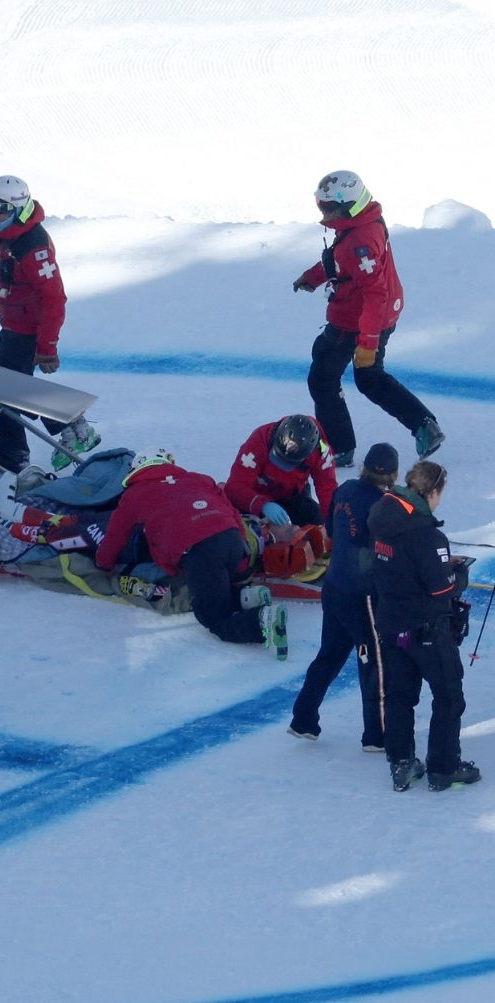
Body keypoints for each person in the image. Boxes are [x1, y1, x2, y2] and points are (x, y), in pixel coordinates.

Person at [0, 175, 99, 477]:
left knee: (1, 398)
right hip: (11, 326)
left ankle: (18, 458)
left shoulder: (32, 248)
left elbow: (54, 300)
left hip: (28, 332)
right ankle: (65, 427)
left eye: (0, 210)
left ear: (19, 208)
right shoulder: (2, 233)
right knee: (11, 394)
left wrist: (46, 348)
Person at [294, 170, 444, 467]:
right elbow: (340, 262)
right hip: (375, 313)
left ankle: (338, 448)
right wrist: (313, 277)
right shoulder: (362, 221)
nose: (322, 212)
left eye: (326, 207)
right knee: (369, 378)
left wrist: (367, 344)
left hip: (357, 319)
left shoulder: (359, 241)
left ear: (346, 205)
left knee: (323, 379)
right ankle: (424, 425)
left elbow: (374, 293)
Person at [94, 448, 289, 658]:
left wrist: (103, 564)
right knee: (217, 583)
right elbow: (232, 513)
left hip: (198, 550)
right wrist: (240, 557)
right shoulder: (199, 479)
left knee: (213, 617)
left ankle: (262, 622)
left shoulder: (134, 494)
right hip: (231, 539)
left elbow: (115, 537)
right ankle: (247, 597)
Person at [368, 460, 479, 792]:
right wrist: (459, 574)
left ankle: (401, 764)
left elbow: (401, 563)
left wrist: (439, 564)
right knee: (448, 696)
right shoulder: (428, 536)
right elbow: (442, 588)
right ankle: (444, 768)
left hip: (391, 625)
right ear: (433, 491)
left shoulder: (382, 517)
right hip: (427, 629)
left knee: (400, 696)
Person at [288, 442, 400, 750]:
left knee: (329, 656)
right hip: (361, 597)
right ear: (392, 474)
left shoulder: (347, 490)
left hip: (334, 588)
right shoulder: (384, 505)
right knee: (372, 662)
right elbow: (385, 552)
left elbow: (334, 532)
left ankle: (303, 718)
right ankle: (376, 736)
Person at [225, 414, 338, 527]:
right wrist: (262, 504)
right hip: (255, 495)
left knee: (316, 521)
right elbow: (234, 486)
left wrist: (332, 527)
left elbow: (327, 489)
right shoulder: (258, 441)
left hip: (293, 497)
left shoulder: (321, 451)